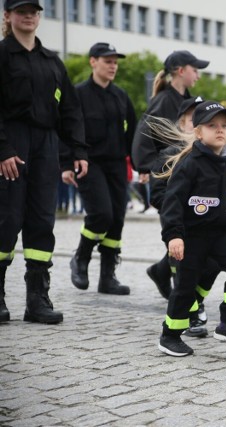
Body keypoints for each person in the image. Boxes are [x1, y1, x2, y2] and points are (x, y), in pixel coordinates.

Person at [0, 0, 88, 324]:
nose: (28, 15)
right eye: (20, 10)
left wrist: (77, 151)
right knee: (6, 219)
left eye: (34, 10)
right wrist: (3, 149)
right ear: (7, 16)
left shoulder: (52, 62)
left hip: (46, 145)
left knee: (41, 220)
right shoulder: (2, 55)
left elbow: (70, 111)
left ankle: (37, 299)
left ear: (39, 16)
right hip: (12, 141)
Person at [155, 100, 226, 356]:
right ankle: (170, 336)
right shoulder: (189, 164)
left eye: (225, 125)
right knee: (185, 287)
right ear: (198, 132)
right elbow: (172, 202)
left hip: (220, 234)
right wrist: (173, 236)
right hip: (191, 236)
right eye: (212, 125)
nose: (220, 130)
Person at [131, 50, 209, 300]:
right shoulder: (164, 100)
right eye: (194, 69)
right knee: (179, 229)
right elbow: (143, 136)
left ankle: (161, 271)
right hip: (168, 176)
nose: (197, 74)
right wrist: (148, 167)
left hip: (187, 175)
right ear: (180, 71)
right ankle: (181, 292)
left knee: (189, 229)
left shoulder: (189, 99)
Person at [69, 43, 136, 296]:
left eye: (115, 62)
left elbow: (133, 132)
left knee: (117, 219)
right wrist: (66, 164)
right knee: (102, 215)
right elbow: (67, 131)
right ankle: (81, 257)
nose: (113, 66)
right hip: (88, 163)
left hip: (117, 163)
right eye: (108, 61)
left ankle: (107, 277)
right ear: (92, 62)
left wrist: (141, 163)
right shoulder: (78, 94)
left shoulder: (121, 95)